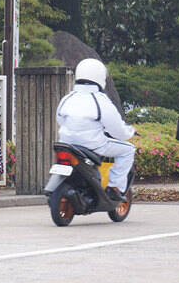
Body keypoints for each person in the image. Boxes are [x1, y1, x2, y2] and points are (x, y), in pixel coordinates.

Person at [56, 58, 136, 201]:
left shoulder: (68, 98)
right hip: (93, 145)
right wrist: (129, 132)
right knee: (128, 150)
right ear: (100, 77)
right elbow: (117, 129)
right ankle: (114, 187)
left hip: (67, 143)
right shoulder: (100, 100)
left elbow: (60, 119)